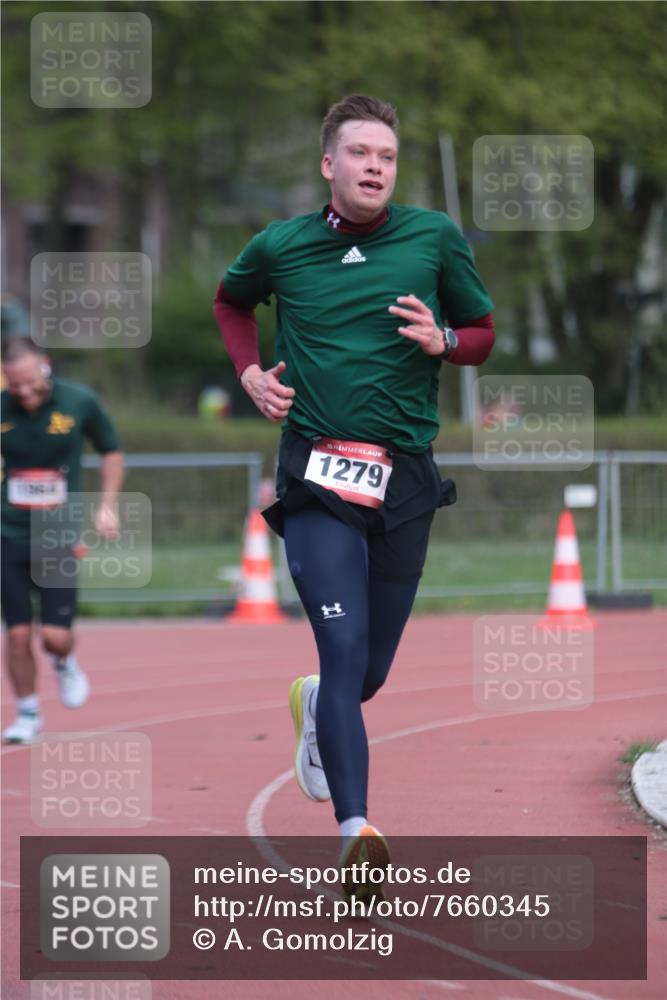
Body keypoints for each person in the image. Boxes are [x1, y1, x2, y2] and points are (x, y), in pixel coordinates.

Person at [214, 95, 495, 894]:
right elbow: (231, 302)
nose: (376, 166)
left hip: (404, 475)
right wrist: (249, 374)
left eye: (387, 155)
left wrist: (443, 339)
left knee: (364, 674)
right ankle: (356, 831)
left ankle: (315, 710)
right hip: (316, 475)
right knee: (340, 652)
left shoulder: (434, 238)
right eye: (361, 153)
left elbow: (481, 333)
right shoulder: (282, 246)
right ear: (328, 165)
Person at [1, 338, 124, 743]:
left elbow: (111, 450)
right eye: (15, 385)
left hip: (58, 533)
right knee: (17, 633)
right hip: (8, 532)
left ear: (45, 366)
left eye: (30, 383)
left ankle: (64, 660)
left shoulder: (79, 402)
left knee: (53, 636)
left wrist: (107, 505)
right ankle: (27, 713)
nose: (24, 392)